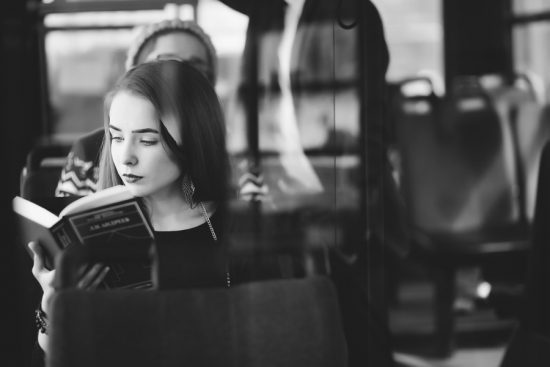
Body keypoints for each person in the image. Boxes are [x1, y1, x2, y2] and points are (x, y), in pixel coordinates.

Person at [218, 1, 409, 365]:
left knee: (361, 339)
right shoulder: (268, 13)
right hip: (286, 204)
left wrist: (349, 222)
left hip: (346, 209)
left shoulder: (350, 12)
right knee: (308, 336)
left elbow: (366, 129)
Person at [30, 59, 232, 357]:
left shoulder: (233, 226)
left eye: (147, 141)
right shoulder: (90, 232)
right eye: (116, 137)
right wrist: (52, 304)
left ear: (194, 140)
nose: (125, 157)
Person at [55, 19, 218, 197]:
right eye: (167, 63)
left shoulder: (237, 157)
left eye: (195, 68)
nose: (184, 77)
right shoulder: (88, 152)